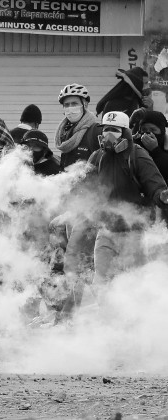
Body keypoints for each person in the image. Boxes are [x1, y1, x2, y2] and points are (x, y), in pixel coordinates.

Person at [86, 111, 168, 291]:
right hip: (106, 230)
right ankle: (106, 318)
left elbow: (154, 182)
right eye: (106, 129)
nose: (108, 134)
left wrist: (162, 195)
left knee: (134, 286)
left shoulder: (137, 155)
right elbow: (84, 186)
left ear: (125, 132)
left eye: (114, 130)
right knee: (101, 285)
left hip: (134, 233)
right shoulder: (97, 156)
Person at [55, 84, 101, 170]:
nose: (70, 108)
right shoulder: (65, 132)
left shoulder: (96, 130)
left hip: (91, 182)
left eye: (74, 104)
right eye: (67, 105)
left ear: (85, 105)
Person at [133, 110, 168, 183]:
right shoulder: (136, 144)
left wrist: (156, 151)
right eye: (144, 129)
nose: (148, 133)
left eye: (153, 130)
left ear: (161, 131)